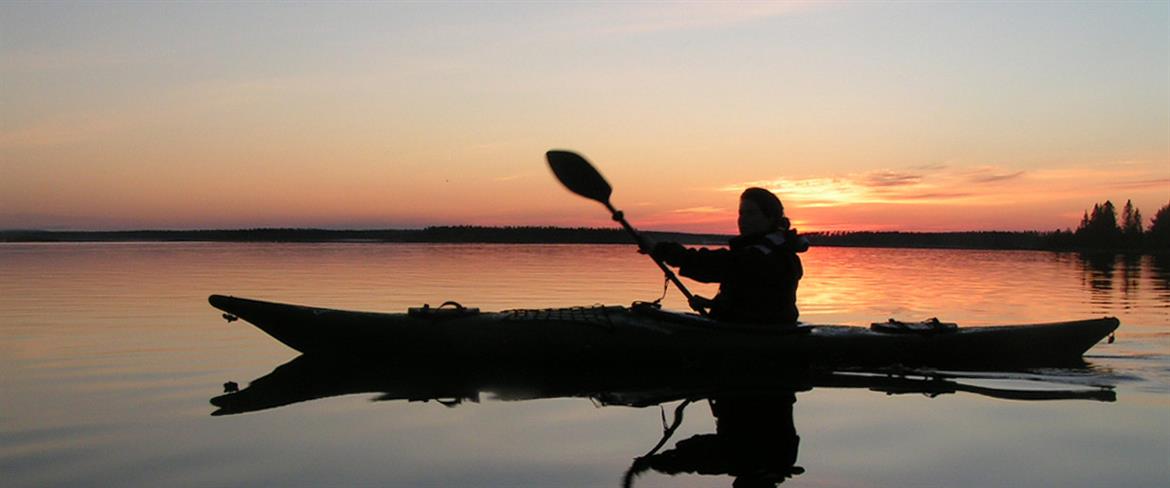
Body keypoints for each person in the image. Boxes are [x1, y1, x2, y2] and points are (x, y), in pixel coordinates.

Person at [641, 187, 807, 325]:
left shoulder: (764, 255)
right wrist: (712, 304)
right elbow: (752, 296)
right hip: (750, 326)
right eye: (741, 213)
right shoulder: (772, 249)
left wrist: (659, 249)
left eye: (751, 213)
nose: (743, 219)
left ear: (770, 218)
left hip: (757, 333)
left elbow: (715, 264)